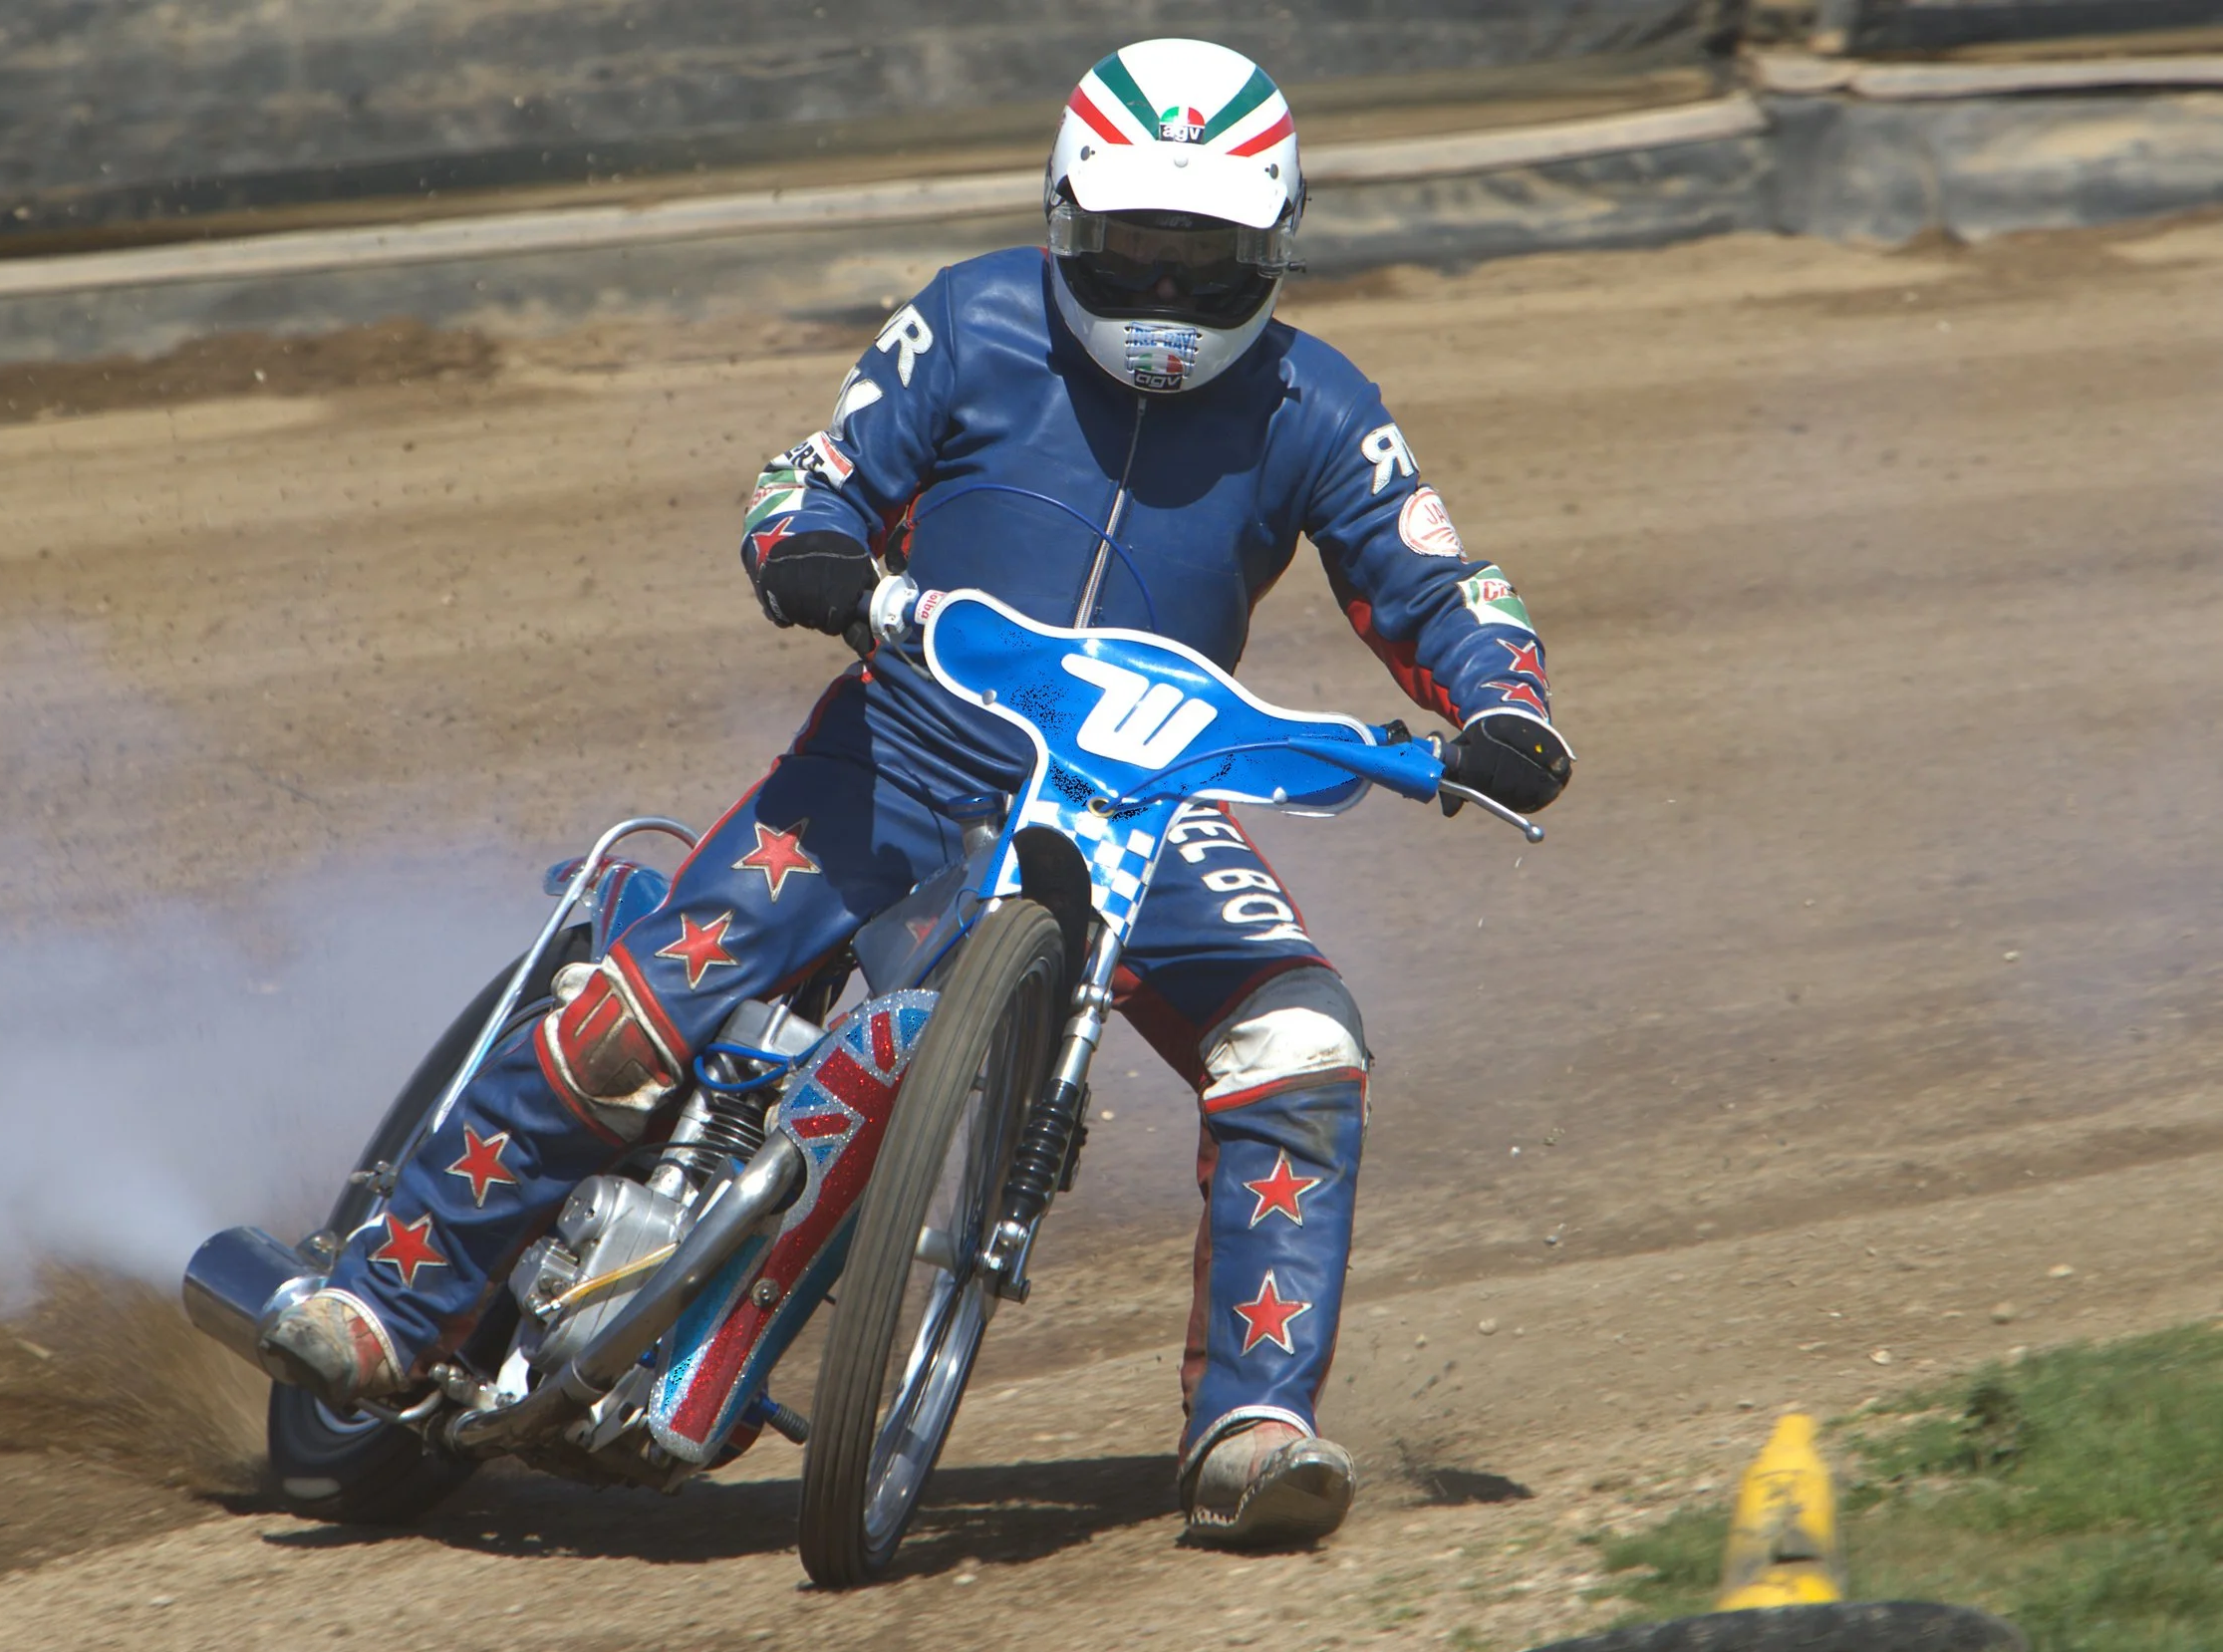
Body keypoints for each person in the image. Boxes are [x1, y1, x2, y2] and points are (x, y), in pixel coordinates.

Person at [263, 36, 1571, 1547]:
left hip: (1149, 805)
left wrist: (1503, 702)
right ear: (1064, 216)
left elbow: (1443, 578)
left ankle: (1253, 1426)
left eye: (1202, 255)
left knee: (1299, 1037)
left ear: (1275, 244)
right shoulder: (971, 318)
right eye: (1130, 243)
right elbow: (807, 476)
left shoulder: (1322, 405)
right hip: (896, 746)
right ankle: (390, 1297)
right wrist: (807, 544)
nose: (1158, 287)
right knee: (648, 1007)